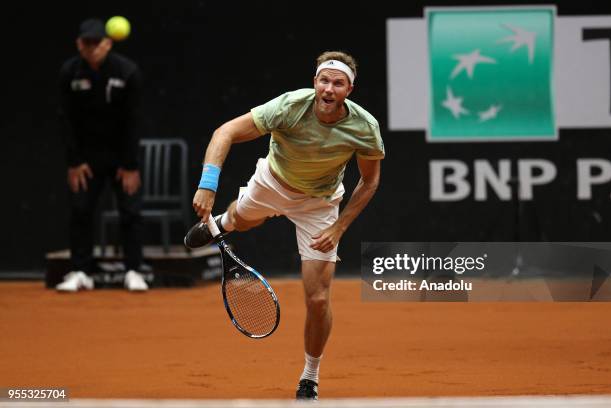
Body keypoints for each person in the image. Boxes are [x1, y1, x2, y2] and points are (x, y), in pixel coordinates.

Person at [188, 51, 384, 400]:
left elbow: (368, 182)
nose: (329, 88)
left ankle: (310, 375)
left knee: (319, 299)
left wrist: (338, 228)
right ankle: (226, 221)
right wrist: (207, 184)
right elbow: (226, 131)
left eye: (338, 83)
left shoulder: (364, 127)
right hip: (272, 183)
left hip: (319, 204)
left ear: (349, 90)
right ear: (315, 83)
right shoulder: (289, 106)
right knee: (245, 221)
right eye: (324, 80)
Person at [56, 18, 148, 292]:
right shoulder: (69, 73)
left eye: (97, 43)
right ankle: (81, 271)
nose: (92, 48)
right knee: (80, 210)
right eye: (87, 43)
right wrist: (74, 161)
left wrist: (130, 164)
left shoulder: (128, 72)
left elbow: (133, 120)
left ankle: (134, 270)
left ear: (108, 43)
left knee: (130, 212)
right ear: (79, 44)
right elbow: (66, 120)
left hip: (122, 159)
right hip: (86, 160)